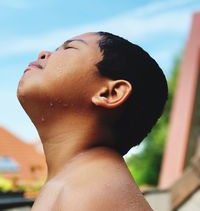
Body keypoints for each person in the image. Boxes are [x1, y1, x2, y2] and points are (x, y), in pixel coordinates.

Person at [17, 31, 168, 211]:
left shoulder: (88, 191)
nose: (43, 53)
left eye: (70, 47)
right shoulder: (83, 181)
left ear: (110, 93)